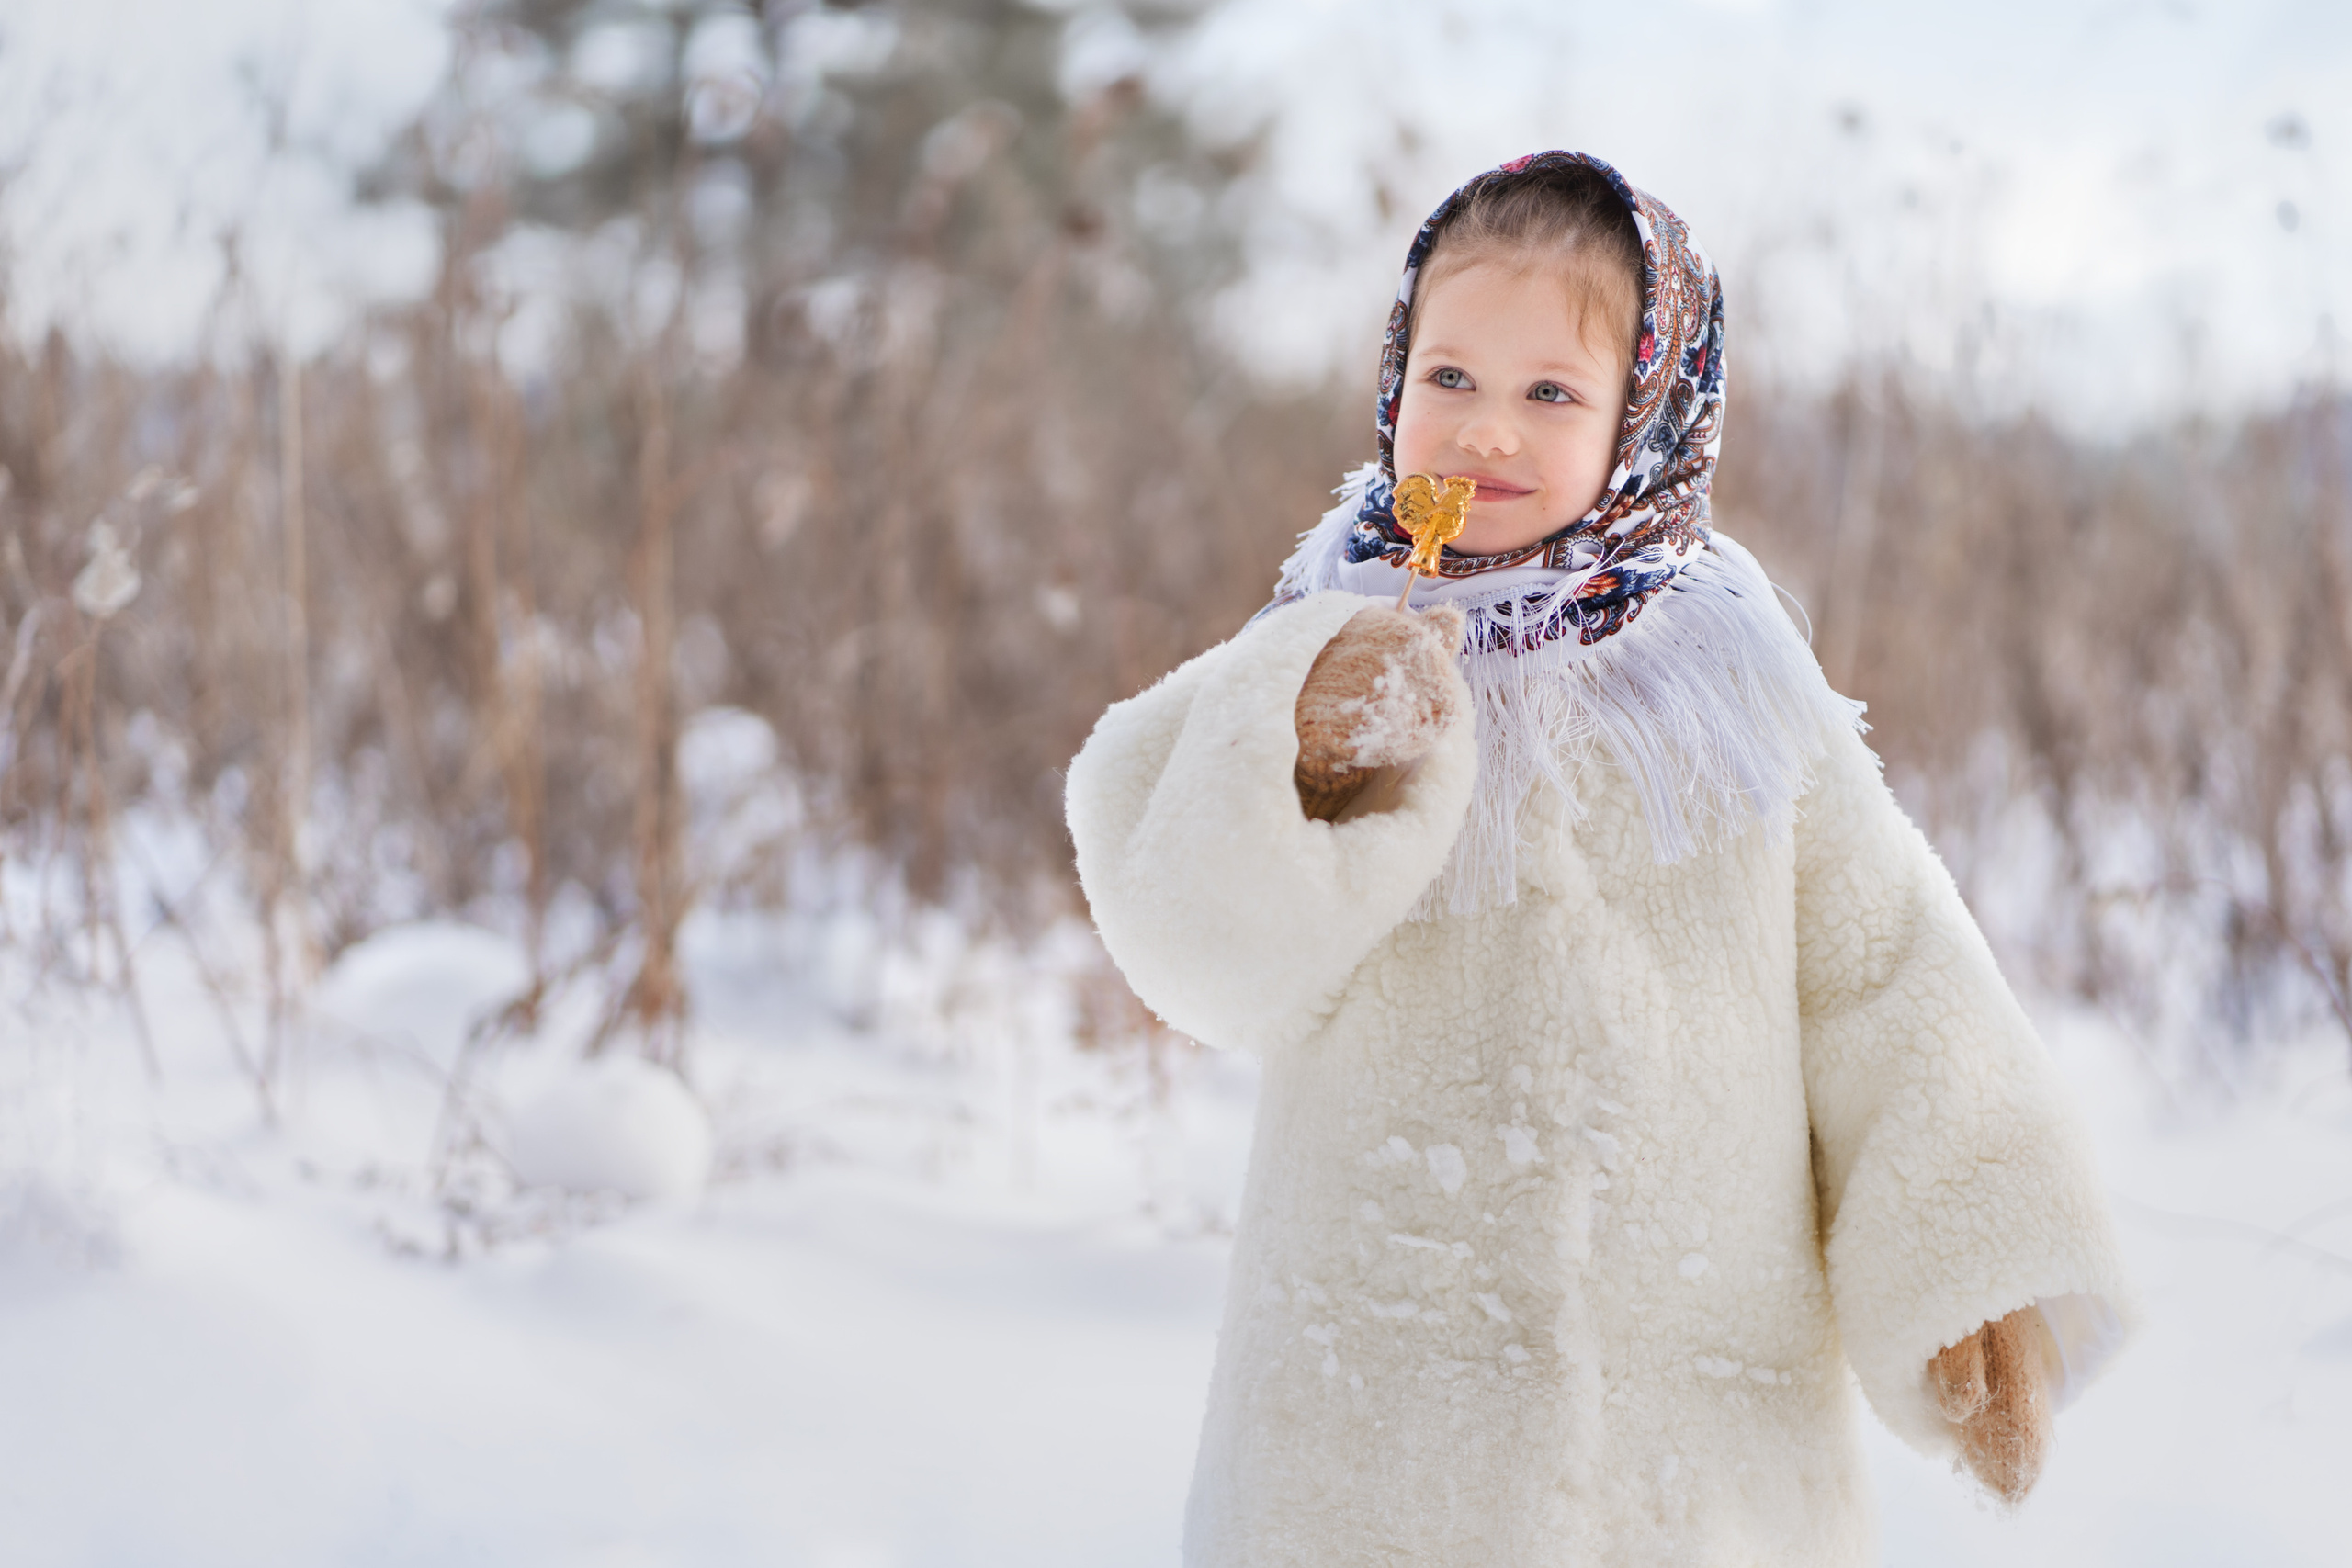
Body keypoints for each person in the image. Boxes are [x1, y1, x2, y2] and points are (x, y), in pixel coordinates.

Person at [1064, 152, 2135, 1565]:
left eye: (1550, 394)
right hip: (1374, 1418)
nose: (1482, 434)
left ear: (1653, 415)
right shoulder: (1319, 632)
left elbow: (1886, 977)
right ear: (1394, 380)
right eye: (1450, 378)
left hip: (1694, 1432)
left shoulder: (1734, 691)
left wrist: (1970, 1272)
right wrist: (1304, 755)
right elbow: (1194, 949)